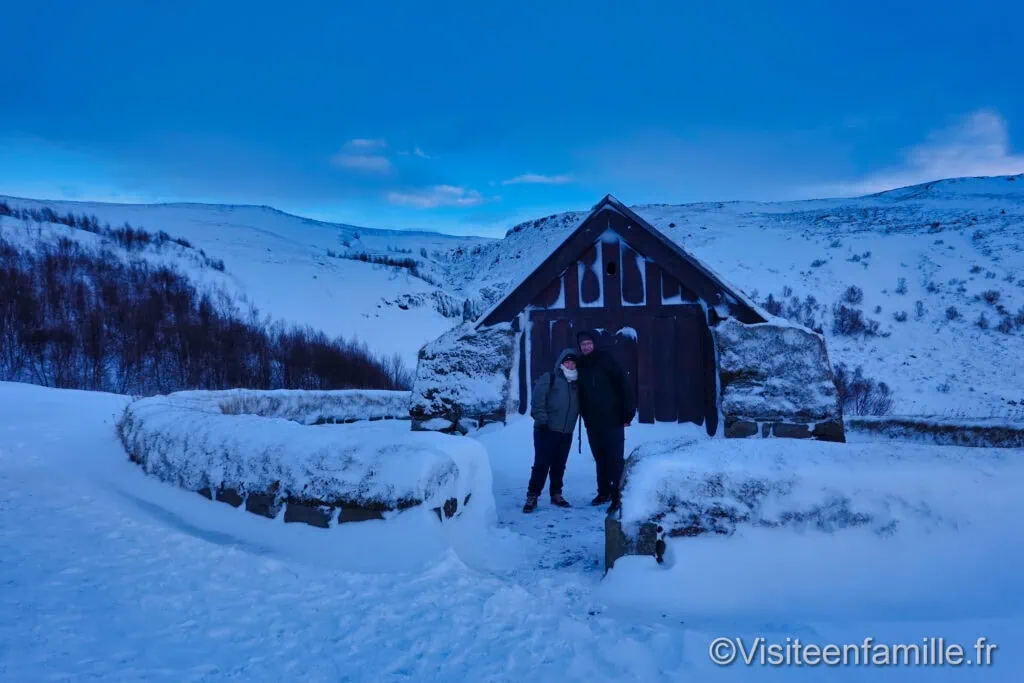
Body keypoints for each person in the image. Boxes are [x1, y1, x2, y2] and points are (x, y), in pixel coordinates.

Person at [575, 329, 636, 510]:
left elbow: (624, 387)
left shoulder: (608, 361)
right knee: (600, 458)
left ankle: (618, 496)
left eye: (588, 343)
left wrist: (627, 414)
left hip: (613, 419)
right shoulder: (581, 365)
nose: (586, 347)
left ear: (594, 344)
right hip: (592, 421)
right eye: (583, 344)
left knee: (615, 459)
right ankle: (604, 492)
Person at [524, 348, 580, 513]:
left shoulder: (577, 383)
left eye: (573, 362)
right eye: (567, 361)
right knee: (541, 464)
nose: (570, 364)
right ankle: (532, 495)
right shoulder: (551, 378)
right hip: (546, 430)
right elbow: (537, 401)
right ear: (561, 362)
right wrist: (543, 422)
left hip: (566, 431)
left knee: (559, 465)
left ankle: (556, 494)